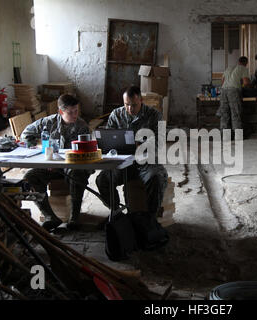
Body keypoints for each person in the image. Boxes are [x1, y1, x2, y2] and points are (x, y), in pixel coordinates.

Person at [96, 86, 168, 246]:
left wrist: (140, 145)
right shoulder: (117, 114)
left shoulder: (154, 115)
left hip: (145, 161)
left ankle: (149, 221)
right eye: (126, 104)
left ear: (141, 101)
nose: (129, 108)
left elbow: (160, 142)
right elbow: (109, 140)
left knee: (156, 178)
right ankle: (116, 213)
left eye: (133, 105)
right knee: (102, 180)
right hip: (122, 161)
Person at [21, 94, 91, 231]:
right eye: (70, 112)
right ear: (61, 112)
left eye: (76, 110)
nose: (74, 115)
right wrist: (38, 150)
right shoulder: (48, 122)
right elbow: (26, 133)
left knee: (77, 174)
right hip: (51, 166)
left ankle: (74, 218)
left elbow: (86, 152)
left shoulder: (82, 126)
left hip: (73, 166)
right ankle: (50, 217)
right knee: (30, 177)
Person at [219, 56, 251, 131]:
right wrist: (243, 86)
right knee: (235, 113)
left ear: (238, 61)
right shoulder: (243, 68)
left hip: (223, 91)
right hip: (233, 91)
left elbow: (222, 81)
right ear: (246, 63)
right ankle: (237, 136)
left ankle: (225, 136)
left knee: (224, 114)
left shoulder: (229, 68)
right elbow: (246, 82)